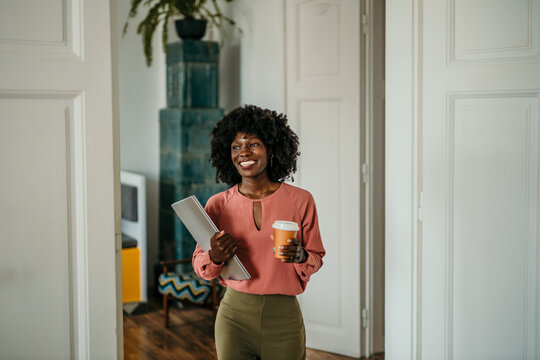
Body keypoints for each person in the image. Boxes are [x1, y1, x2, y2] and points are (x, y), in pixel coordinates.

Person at [192, 104, 325, 360]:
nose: (244, 153)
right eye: (236, 147)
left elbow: (316, 257)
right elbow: (201, 266)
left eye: (253, 144)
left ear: (271, 148)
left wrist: (301, 257)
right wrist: (215, 256)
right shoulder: (218, 204)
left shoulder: (301, 201)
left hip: (283, 318)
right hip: (234, 316)